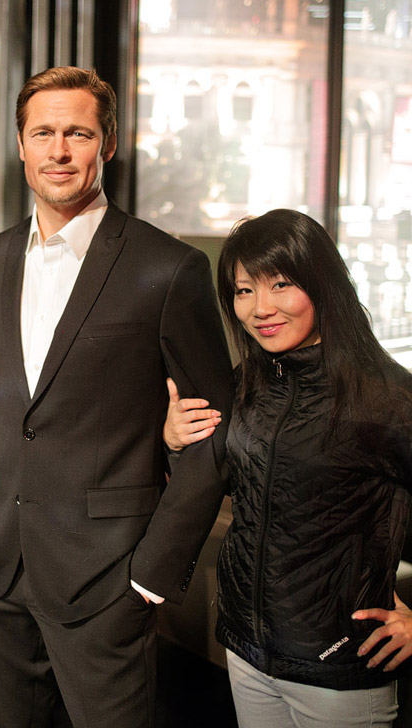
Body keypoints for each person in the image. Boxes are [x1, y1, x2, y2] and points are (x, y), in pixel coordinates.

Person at [0, 66, 234, 727]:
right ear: (20, 145)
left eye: (77, 133)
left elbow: (216, 432)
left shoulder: (167, 267)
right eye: (42, 133)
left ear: (106, 143)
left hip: (108, 579)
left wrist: (152, 574)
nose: (58, 150)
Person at [164, 208, 412, 727]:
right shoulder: (247, 383)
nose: (261, 308)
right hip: (246, 652)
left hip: (338, 671)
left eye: (280, 284)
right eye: (244, 290)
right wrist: (175, 440)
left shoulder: (386, 397)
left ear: (322, 283)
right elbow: (228, 484)